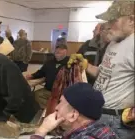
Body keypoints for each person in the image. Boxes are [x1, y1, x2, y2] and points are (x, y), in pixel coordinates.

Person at [67, 1, 134, 138]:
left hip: (117, 121)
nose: (108, 24)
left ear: (131, 20)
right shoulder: (115, 42)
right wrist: (85, 65)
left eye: (113, 20)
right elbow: (103, 73)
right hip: (100, 113)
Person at [31, 83, 119, 139]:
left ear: (73, 115)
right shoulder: (98, 128)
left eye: (60, 103)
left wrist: (41, 131)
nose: (56, 107)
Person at [25, 44, 69, 108]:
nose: (58, 52)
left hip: (63, 92)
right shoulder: (49, 62)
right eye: (57, 50)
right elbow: (41, 72)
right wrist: (32, 76)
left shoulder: (70, 63)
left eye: (61, 50)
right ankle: (52, 108)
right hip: (49, 90)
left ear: (66, 52)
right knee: (34, 95)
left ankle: (55, 108)